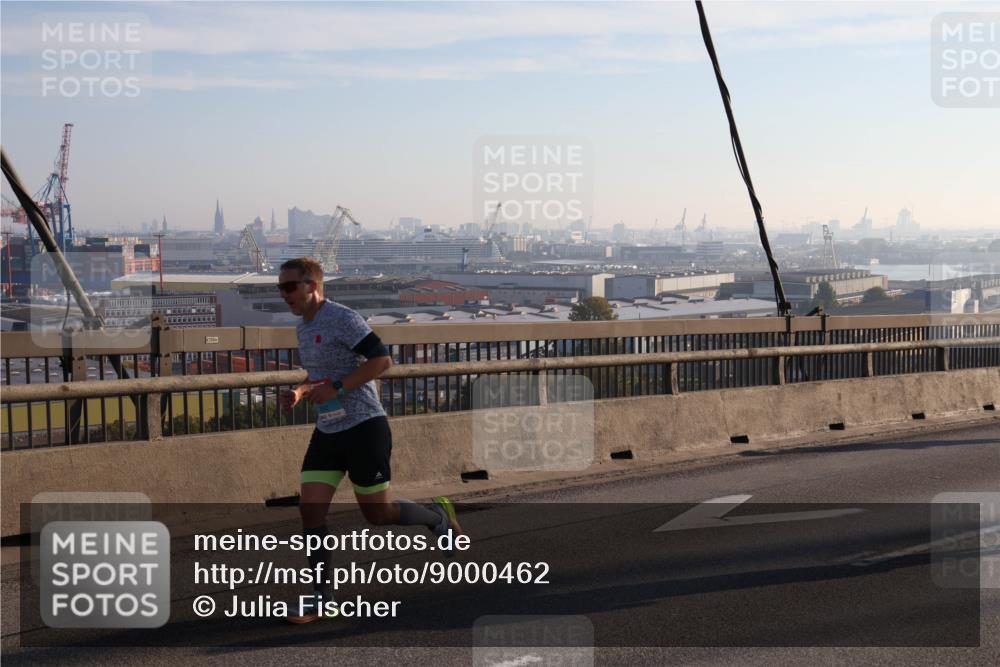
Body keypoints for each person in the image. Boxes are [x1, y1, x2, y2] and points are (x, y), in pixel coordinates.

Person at [277, 257, 461, 624]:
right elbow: (320, 377)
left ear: (313, 285)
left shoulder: (342, 318)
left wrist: (338, 387)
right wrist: (300, 391)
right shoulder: (302, 328)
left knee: (379, 514)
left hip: (364, 425)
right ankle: (321, 597)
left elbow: (382, 361)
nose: (284, 295)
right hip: (329, 429)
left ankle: (436, 516)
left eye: (289, 287)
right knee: (310, 510)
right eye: (280, 288)